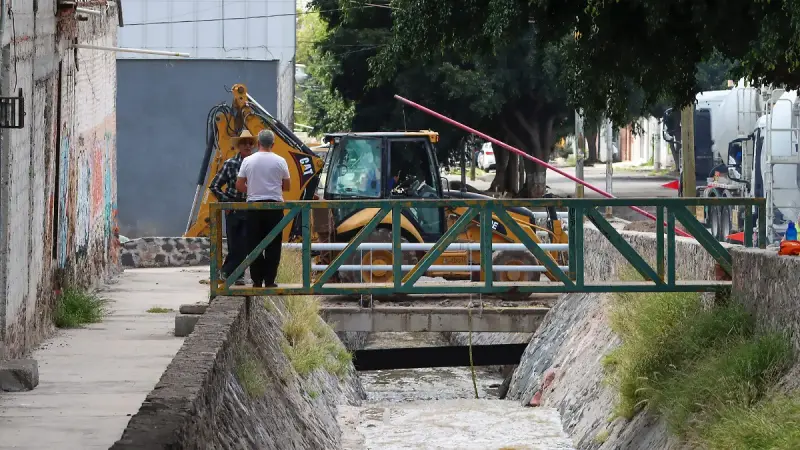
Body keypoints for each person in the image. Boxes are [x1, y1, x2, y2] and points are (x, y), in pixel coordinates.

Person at [235, 130, 291, 288]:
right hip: (274, 207)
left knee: (254, 243)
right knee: (273, 244)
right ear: (272, 144)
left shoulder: (248, 161)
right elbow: (287, 186)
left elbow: (239, 185)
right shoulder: (281, 161)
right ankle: (270, 280)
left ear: (258, 143)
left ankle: (257, 280)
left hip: (254, 207)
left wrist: (253, 189)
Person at [209, 129, 255, 285]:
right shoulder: (230, 164)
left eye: (250, 143)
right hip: (234, 208)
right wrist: (226, 202)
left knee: (246, 243)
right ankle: (233, 274)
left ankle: (228, 273)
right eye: (244, 143)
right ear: (239, 146)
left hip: (251, 207)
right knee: (234, 243)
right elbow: (214, 186)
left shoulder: (256, 164)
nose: (248, 145)